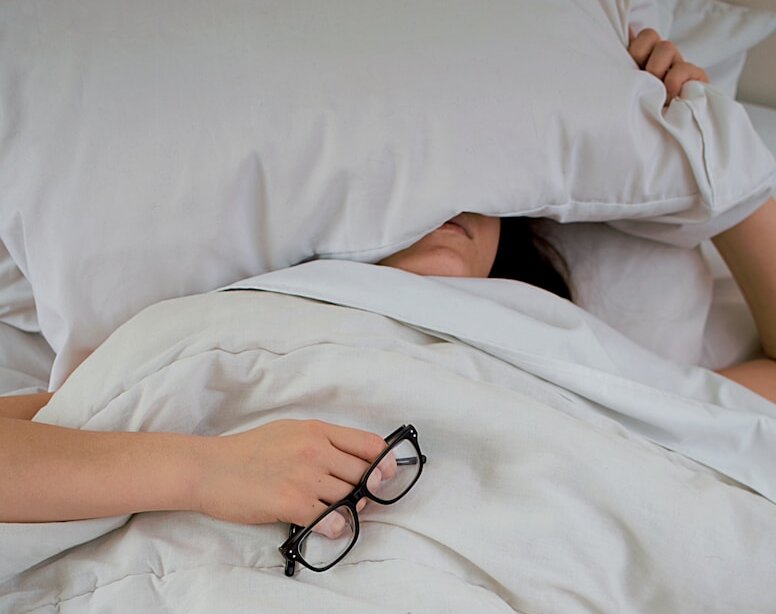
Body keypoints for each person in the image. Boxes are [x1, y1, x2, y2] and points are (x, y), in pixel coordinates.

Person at [1, 30, 773, 530]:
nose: (443, 206)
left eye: (472, 186)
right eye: (404, 191)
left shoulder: (570, 352)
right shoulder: (240, 327)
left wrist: (702, 136)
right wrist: (205, 471)